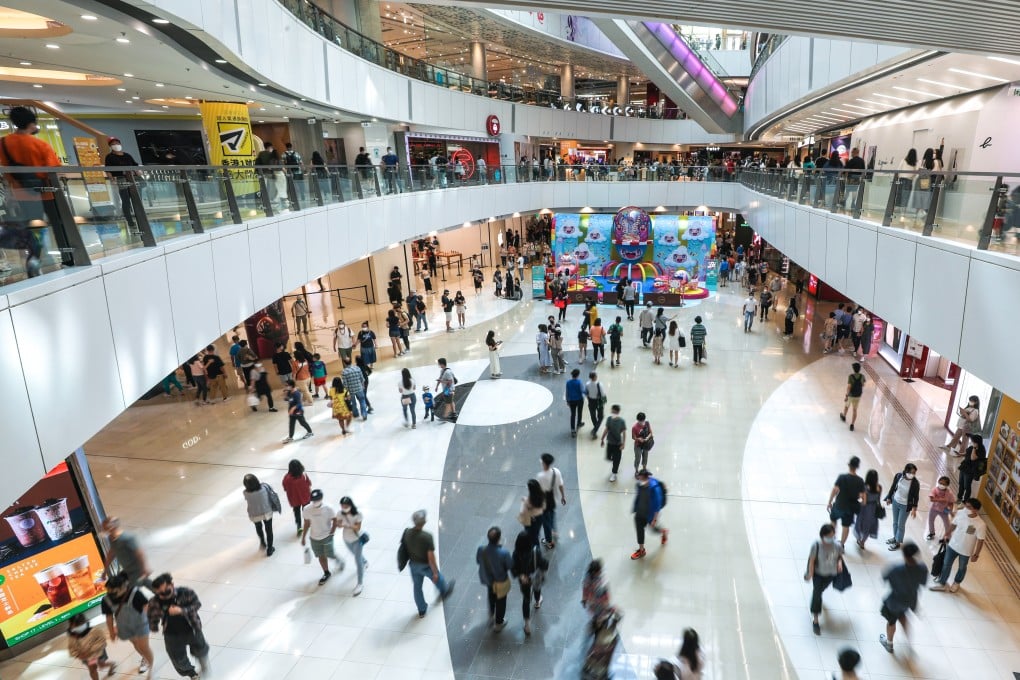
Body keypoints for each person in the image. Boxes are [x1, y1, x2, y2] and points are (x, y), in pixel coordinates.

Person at [0, 106, 62, 278]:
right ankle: (67, 255)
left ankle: (34, 259)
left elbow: (6, 171)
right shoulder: (40, 144)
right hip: (46, 192)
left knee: (32, 228)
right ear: (31, 123)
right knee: (58, 225)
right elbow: (54, 169)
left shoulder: (4, 143)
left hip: (21, 193)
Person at [148, 573, 209, 679]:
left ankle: (204, 666)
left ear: (172, 585)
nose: (164, 595)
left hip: (192, 628)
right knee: (178, 659)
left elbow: (197, 604)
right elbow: (152, 615)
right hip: (171, 634)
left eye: (166, 591)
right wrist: (153, 626)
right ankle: (192, 674)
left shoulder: (186, 592)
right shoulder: (154, 602)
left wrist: (182, 610)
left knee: (200, 650)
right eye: (160, 593)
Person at [402, 509, 455, 617]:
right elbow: (431, 557)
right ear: (424, 522)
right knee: (438, 578)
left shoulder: (407, 532)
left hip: (413, 565)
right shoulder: (427, 537)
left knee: (417, 587)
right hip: (425, 566)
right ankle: (444, 591)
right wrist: (435, 572)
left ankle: (421, 609)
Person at [101, 572, 153, 678]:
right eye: (109, 592)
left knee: (144, 646)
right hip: (124, 626)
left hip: (140, 624)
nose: (111, 595)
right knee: (136, 644)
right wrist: (111, 632)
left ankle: (151, 666)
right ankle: (145, 658)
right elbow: (109, 617)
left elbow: (146, 607)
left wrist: (152, 620)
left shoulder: (135, 593)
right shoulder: (106, 599)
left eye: (114, 592)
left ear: (123, 587)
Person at [930, 498, 985, 593]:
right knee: (946, 564)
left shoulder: (981, 524)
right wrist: (946, 534)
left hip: (966, 550)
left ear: (976, 510)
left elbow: (980, 540)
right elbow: (953, 524)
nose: (966, 508)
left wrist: (976, 554)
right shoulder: (961, 513)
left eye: (969, 507)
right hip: (953, 545)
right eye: (966, 506)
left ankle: (957, 582)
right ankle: (942, 582)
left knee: (962, 567)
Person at [880, 542, 928, 653]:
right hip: (910, 600)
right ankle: (908, 642)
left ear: (904, 555)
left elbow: (885, 578)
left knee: (891, 621)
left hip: (895, 601)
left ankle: (889, 644)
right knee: (903, 617)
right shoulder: (922, 569)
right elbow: (923, 583)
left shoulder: (896, 569)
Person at [805, 523, 844, 635]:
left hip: (831, 574)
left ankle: (817, 597)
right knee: (817, 593)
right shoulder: (816, 545)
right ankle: (816, 619)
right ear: (823, 535)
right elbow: (812, 561)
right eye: (829, 536)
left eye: (833, 536)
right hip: (818, 574)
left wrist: (839, 563)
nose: (831, 538)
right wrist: (810, 574)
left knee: (820, 590)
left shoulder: (837, 546)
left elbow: (839, 557)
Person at [511, 530, 549, 636]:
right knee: (537, 588)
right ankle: (537, 601)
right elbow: (544, 564)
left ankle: (527, 625)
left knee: (526, 599)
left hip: (524, 580)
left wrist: (520, 575)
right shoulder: (536, 551)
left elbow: (513, 567)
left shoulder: (516, 553)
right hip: (535, 576)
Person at [476, 526, 514, 631]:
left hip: (489, 581)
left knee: (491, 596)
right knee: (501, 602)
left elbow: (478, 561)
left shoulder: (481, 549)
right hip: (501, 582)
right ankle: (499, 623)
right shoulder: (504, 553)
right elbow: (510, 565)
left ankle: (491, 615)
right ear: (499, 538)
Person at [101, 517, 151, 587]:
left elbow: (140, 553)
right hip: (127, 570)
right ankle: (161, 590)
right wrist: (105, 571)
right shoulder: (111, 538)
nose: (103, 529)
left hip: (136, 570)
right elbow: (111, 553)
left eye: (105, 527)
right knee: (145, 583)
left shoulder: (127, 538)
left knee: (132, 589)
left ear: (112, 527)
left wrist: (145, 568)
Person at [827, 455, 865, 546]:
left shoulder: (842, 477)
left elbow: (835, 490)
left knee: (833, 520)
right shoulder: (860, 481)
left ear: (849, 465)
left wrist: (829, 502)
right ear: (857, 467)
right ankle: (842, 544)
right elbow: (862, 496)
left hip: (839, 504)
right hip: (850, 508)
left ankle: (832, 538)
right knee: (846, 526)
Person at [66, 613, 117, 680]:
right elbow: (71, 648)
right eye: (76, 625)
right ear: (71, 626)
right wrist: (78, 655)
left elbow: (102, 642)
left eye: (80, 624)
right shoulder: (72, 637)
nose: (79, 626)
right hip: (86, 657)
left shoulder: (95, 631)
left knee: (101, 665)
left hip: (98, 654)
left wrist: (89, 651)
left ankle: (111, 664)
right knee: (92, 669)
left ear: (85, 621)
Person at [104, 136, 140, 229]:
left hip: (132, 179)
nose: (116, 145)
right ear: (110, 146)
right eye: (113, 144)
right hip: (120, 179)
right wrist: (112, 179)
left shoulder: (127, 155)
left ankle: (139, 218)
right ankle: (130, 221)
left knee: (135, 198)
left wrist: (138, 173)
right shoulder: (109, 157)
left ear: (120, 144)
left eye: (117, 143)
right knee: (126, 200)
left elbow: (135, 166)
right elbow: (108, 170)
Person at [631, 468, 667, 559]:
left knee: (653, 529)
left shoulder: (654, 488)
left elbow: (657, 505)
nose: (638, 479)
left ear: (645, 477)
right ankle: (641, 550)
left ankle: (663, 532)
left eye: (640, 477)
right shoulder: (639, 485)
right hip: (640, 512)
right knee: (639, 530)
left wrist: (654, 519)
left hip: (650, 515)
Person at [884, 463, 920, 551]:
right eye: (911, 472)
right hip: (895, 501)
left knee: (901, 524)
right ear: (906, 471)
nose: (912, 474)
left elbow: (916, 497)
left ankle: (897, 542)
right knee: (895, 522)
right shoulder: (899, 476)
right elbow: (893, 487)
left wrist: (914, 509)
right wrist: (889, 497)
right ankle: (895, 537)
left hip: (905, 506)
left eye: (914, 473)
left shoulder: (915, 483)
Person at [337, 496, 368, 595]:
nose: (344, 508)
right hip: (346, 539)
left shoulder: (358, 514)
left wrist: (346, 525)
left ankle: (360, 584)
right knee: (355, 554)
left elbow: (357, 527)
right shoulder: (340, 513)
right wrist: (339, 524)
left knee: (357, 561)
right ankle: (365, 561)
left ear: (350, 505)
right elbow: (338, 525)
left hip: (357, 540)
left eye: (346, 506)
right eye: (342, 506)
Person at [537, 453, 566, 549]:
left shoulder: (541, 476)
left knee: (545, 521)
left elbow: (539, 492)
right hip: (554, 500)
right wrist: (563, 496)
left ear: (544, 463)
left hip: (544, 503)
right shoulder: (556, 471)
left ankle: (549, 541)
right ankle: (554, 530)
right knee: (552, 513)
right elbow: (561, 485)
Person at [242, 473, 276, 556]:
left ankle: (262, 542)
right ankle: (270, 549)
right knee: (269, 530)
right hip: (266, 512)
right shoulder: (264, 488)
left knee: (258, 527)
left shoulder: (245, 493)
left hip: (254, 514)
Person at [853, 469, 883, 550]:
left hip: (865, 509)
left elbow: (864, 502)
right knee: (868, 527)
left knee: (860, 524)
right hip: (873, 509)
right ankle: (862, 542)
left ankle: (859, 538)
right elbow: (878, 500)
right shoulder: (879, 487)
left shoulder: (865, 487)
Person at [282, 459, 312, 535]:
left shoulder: (286, 478)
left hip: (294, 499)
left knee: (297, 512)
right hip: (305, 497)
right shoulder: (303, 475)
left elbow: (285, 488)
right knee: (306, 510)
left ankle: (299, 526)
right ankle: (307, 523)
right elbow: (309, 484)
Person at [601, 405, 627, 482]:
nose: (613, 412)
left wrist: (623, 443)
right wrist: (602, 439)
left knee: (616, 460)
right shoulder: (609, 419)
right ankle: (615, 460)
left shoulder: (621, 421)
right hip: (610, 442)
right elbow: (606, 429)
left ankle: (614, 473)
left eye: (615, 411)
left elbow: (624, 433)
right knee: (608, 457)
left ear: (618, 412)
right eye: (612, 411)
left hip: (618, 444)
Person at [958, 434, 986, 501]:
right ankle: (959, 497)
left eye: (973, 441)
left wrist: (974, 448)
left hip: (970, 470)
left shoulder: (981, 451)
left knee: (967, 486)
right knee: (961, 483)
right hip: (964, 466)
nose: (971, 442)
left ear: (977, 442)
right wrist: (960, 454)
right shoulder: (972, 447)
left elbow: (973, 458)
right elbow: (968, 453)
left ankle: (965, 500)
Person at [927, 475, 956, 541]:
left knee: (947, 524)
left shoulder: (949, 493)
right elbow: (931, 499)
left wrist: (950, 511)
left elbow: (951, 503)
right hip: (934, 509)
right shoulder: (935, 490)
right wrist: (941, 500)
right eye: (940, 483)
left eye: (944, 484)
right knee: (931, 520)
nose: (941, 485)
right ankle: (931, 533)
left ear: (947, 485)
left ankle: (948, 537)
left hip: (944, 511)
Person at [519, 479, 546, 548]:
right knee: (536, 532)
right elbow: (544, 507)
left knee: (531, 536)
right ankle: (536, 546)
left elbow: (522, 512)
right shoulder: (542, 495)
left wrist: (523, 502)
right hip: (540, 517)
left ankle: (535, 550)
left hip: (530, 519)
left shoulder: (528, 500)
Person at [839, 363, 866, 431]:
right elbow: (863, 385)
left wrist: (846, 395)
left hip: (851, 395)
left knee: (846, 406)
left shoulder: (851, 376)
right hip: (858, 396)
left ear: (853, 369)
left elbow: (849, 387)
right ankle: (852, 424)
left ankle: (844, 416)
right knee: (855, 410)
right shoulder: (862, 376)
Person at [584, 371, 606, 438]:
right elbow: (603, 394)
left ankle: (595, 428)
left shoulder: (587, 384)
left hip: (591, 401)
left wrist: (588, 398)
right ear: (595, 377)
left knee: (593, 415)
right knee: (601, 416)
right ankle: (595, 430)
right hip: (598, 402)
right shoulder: (599, 384)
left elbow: (586, 393)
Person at [565, 368, 585, 437]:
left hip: (571, 401)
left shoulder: (568, 382)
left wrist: (567, 401)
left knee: (573, 415)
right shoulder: (579, 382)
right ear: (578, 375)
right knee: (580, 412)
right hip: (579, 400)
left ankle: (573, 430)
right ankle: (579, 423)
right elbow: (583, 391)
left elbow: (567, 392)